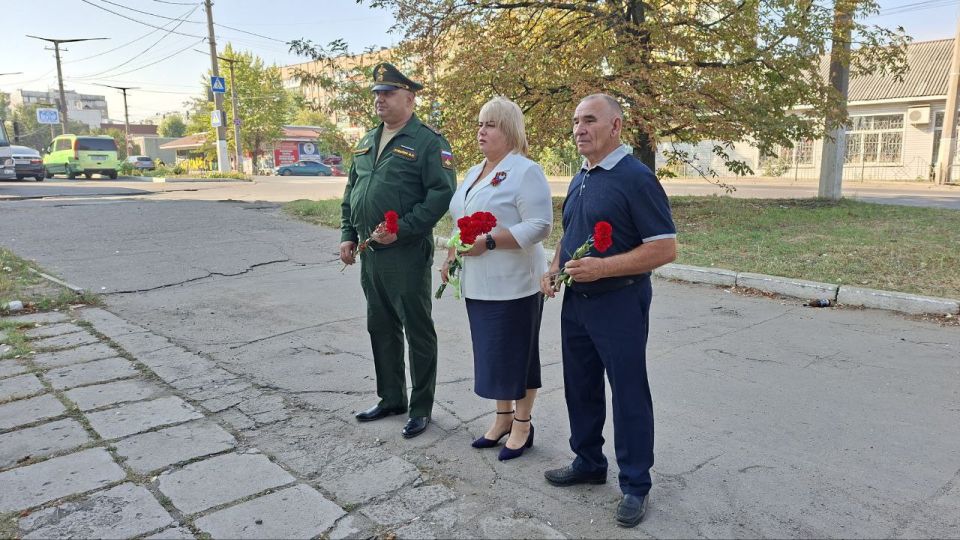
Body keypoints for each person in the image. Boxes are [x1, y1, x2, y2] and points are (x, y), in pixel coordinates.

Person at [540, 94, 677, 527]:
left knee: (629, 392)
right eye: (576, 121)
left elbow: (664, 248)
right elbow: (572, 233)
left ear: (615, 126)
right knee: (579, 386)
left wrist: (603, 269)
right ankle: (588, 462)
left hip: (619, 301)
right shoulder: (582, 175)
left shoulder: (636, 178)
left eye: (590, 120)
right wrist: (555, 267)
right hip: (577, 301)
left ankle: (635, 484)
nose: (579, 129)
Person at [340, 62, 457, 439]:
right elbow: (351, 192)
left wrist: (402, 229)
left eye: (388, 93)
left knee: (417, 329)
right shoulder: (366, 141)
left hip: (405, 252)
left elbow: (441, 194)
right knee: (381, 326)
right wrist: (347, 234)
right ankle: (391, 397)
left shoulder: (428, 142)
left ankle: (420, 407)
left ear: (409, 97)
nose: (380, 100)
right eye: (377, 94)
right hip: (370, 252)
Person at [441, 97, 552, 461]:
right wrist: (451, 253)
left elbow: (540, 225)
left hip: (516, 282)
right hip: (479, 283)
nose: (481, 131)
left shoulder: (525, 170)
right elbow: (462, 219)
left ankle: (523, 423)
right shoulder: (474, 171)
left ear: (508, 129)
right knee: (494, 355)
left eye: (489, 124)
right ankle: (502, 418)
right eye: (479, 124)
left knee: (519, 356)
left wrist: (489, 241)